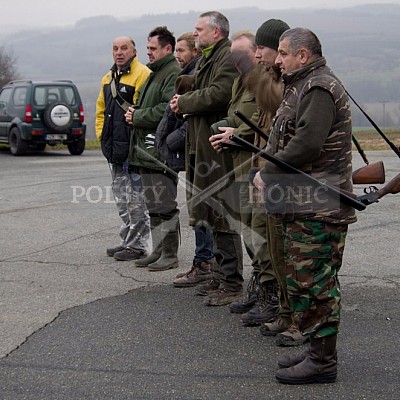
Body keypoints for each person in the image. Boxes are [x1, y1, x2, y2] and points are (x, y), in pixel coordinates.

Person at [253, 27, 356, 384]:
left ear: (303, 55)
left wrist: (268, 171)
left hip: (319, 206)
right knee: (304, 282)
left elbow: (308, 144)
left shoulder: (317, 87)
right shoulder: (303, 85)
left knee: (316, 284)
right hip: (305, 203)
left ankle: (323, 362)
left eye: (283, 53)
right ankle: (316, 350)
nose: (277, 60)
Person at [170, 11, 242, 306]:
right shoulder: (210, 56)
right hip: (202, 146)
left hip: (216, 150)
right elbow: (205, 89)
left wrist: (184, 101)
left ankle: (232, 282)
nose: (195, 33)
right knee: (208, 213)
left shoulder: (227, 56)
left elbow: (219, 94)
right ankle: (219, 275)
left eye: (199, 29)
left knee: (222, 212)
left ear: (216, 32)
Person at [159, 32, 215, 288]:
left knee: (205, 212)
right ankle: (203, 263)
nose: (177, 56)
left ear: (194, 51)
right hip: (193, 150)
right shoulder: (192, 73)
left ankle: (206, 264)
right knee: (198, 211)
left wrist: (173, 139)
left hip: (203, 151)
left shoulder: (198, 76)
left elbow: (192, 114)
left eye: (181, 51)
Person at [206, 30, 258, 300]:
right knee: (250, 232)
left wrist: (235, 134)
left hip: (258, 168)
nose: (236, 59)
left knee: (261, 237)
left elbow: (265, 126)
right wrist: (224, 133)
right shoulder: (240, 81)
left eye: (242, 54)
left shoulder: (263, 82)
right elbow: (239, 119)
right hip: (239, 165)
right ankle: (262, 292)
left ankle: (271, 297)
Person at [125, 26, 181, 272]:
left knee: (165, 206)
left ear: (167, 48)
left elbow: (166, 110)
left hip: (160, 154)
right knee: (153, 206)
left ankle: (170, 254)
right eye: (147, 48)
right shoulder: (153, 73)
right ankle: (158, 251)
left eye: (152, 48)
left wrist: (137, 116)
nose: (147, 53)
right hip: (146, 152)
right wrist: (135, 112)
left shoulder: (172, 73)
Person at [95, 36, 151, 261]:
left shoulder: (143, 75)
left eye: (124, 48)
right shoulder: (107, 78)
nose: (119, 52)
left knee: (137, 200)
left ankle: (137, 245)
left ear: (134, 51)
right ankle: (127, 240)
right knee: (122, 199)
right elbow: (100, 110)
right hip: (114, 151)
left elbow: (142, 111)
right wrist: (101, 135)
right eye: (115, 48)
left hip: (134, 151)